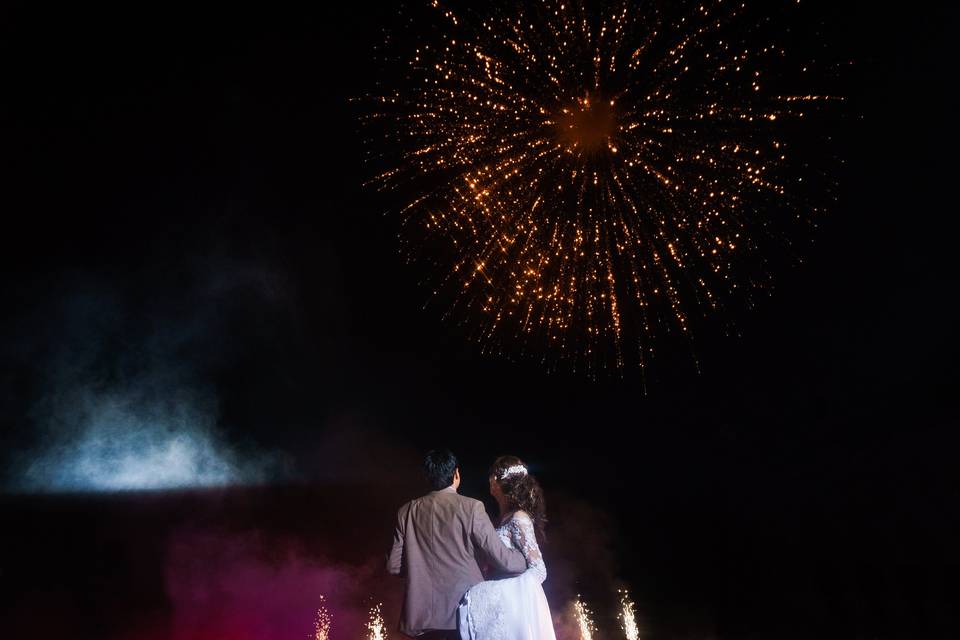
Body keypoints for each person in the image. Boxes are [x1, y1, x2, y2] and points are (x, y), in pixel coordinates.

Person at [387, 449, 528, 639]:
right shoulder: (471, 507)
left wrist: (419, 567)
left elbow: (393, 566)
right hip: (463, 613)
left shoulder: (406, 511)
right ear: (456, 474)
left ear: (427, 477)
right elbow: (502, 559)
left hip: (420, 620)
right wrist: (525, 558)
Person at [457, 455, 557, 640]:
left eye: (493, 474)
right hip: (496, 609)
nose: (490, 479)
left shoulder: (519, 518)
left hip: (514, 607)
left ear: (502, 481)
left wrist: (500, 591)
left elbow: (539, 569)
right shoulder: (500, 519)